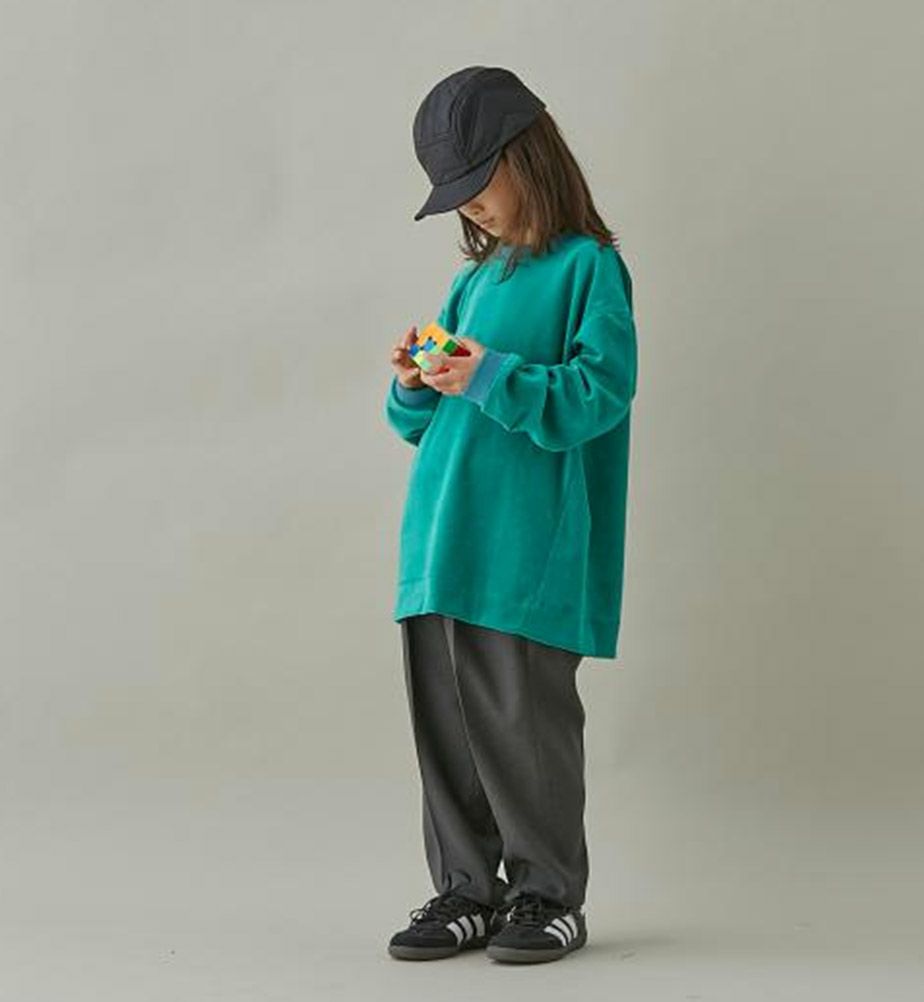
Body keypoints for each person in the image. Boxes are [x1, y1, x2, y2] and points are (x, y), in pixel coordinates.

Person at [383, 66, 638, 965]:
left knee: (523, 731)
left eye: (475, 181)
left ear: (527, 154)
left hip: (525, 551)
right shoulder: (473, 282)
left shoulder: (589, 269)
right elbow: (419, 426)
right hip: (441, 545)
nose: (469, 206)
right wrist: (418, 382)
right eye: (454, 193)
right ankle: (466, 890)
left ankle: (548, 895)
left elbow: (597, 395)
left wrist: (489, 374)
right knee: (449, 730)